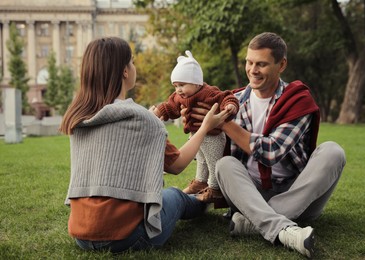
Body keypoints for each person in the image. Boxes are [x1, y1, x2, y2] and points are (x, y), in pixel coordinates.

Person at [59, 37, 230, 253]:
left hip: (81, 235)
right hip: (129, 237)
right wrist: (205, 127)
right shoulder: (141, 118)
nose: (134, 66)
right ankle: (205, 200)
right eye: (132, 62)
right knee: (176, 195)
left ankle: (200, 196)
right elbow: (177, 165)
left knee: (168, 196)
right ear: (124, 71)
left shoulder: (79, 118)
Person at [186, 32, 346, 258]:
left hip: (297, 194)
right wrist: (196, 123)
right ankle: (284, 229)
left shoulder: (297, 99)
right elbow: (205, 149)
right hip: (249, 193)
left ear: (282, 64)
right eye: (249, 62)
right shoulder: (233, 101)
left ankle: (255, 222)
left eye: (261, 64)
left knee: (333, 151)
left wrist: (224, 124)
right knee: (224, 164)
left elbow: (271, 152)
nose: (252, 70)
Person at [151, 50, 239, 205]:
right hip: (196, 135)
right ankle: (200, 181)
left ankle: (215, 188)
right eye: (176, 86)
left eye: (182, 85)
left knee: (213, 161)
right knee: (202, 160)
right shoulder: (178, 96)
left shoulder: (209, 93)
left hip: (213, 135)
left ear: (197, 82)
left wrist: (230, 105)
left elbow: (227, 96)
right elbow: (170, 107)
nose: (178, 90)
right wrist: (160, 111)